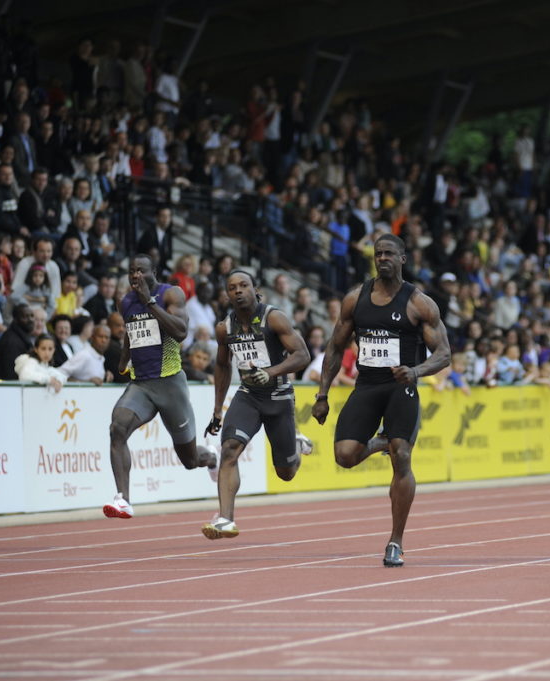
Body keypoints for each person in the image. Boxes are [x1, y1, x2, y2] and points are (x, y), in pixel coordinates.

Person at [311, 234, 450, 567]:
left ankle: (395, 541)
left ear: (403, 258)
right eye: (378, 254)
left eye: (389, 253)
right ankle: (382, 441)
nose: (383, 258)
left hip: (401, 387)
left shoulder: (419, 303)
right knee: (345, 456)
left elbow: (444, 354)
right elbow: (334, 347)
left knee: (402, 455)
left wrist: (415, 372)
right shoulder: (355, 299)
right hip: (368, 386)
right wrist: (322, 394)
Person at [102, 254, 217, 519]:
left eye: (141, 271)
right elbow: (132, 333)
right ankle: (123, 499)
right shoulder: (126, 301)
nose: (135, 276)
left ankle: (210, 456)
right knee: (117, 429)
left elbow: (180, 332)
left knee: (189, 461)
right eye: (131, 271)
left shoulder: (171, 294)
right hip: (141, 384)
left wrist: (149, 302)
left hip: (171, 384)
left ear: (154, 271)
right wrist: (123, 360)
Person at [201, 270, 312, 540]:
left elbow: (302, 355)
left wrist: (271, 372)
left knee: (285, 472)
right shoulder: (224, 328)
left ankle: (295, 444)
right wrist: (217, 410)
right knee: (229, 450)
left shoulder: (273, 318)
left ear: (255, 289)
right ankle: (226, 519)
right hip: (248, 396)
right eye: (232, 287)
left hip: (278, 398)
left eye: (243, 285)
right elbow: (222, 365)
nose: (238, 291)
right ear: (226, 294)